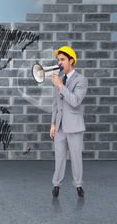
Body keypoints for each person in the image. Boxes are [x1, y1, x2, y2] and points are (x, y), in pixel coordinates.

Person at [50, 46, 88, 198]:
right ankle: (56, 185)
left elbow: (75, 101)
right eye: (58, 60)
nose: (59, 63)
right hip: (59, 127)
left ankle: (78, 185)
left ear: (71, 61)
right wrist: (53, 124)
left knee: (76, 158)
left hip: (74, 126)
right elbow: (55, 104)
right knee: (59, 158)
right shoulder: (59, 79)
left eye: (62, 60)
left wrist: (60, 85)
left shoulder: (81, 80)